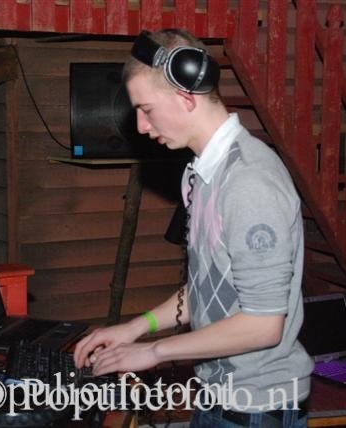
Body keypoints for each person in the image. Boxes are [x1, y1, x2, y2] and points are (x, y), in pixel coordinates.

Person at [74, 29, 314, 427]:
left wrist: (153, 352)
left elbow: (263, 325)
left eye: (147, 109)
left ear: (185, 98)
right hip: (221, 400)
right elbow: (210, 287)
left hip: (256, 410)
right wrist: (135, 329)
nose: (141, 126)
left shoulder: (248, 182)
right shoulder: (205, 174)